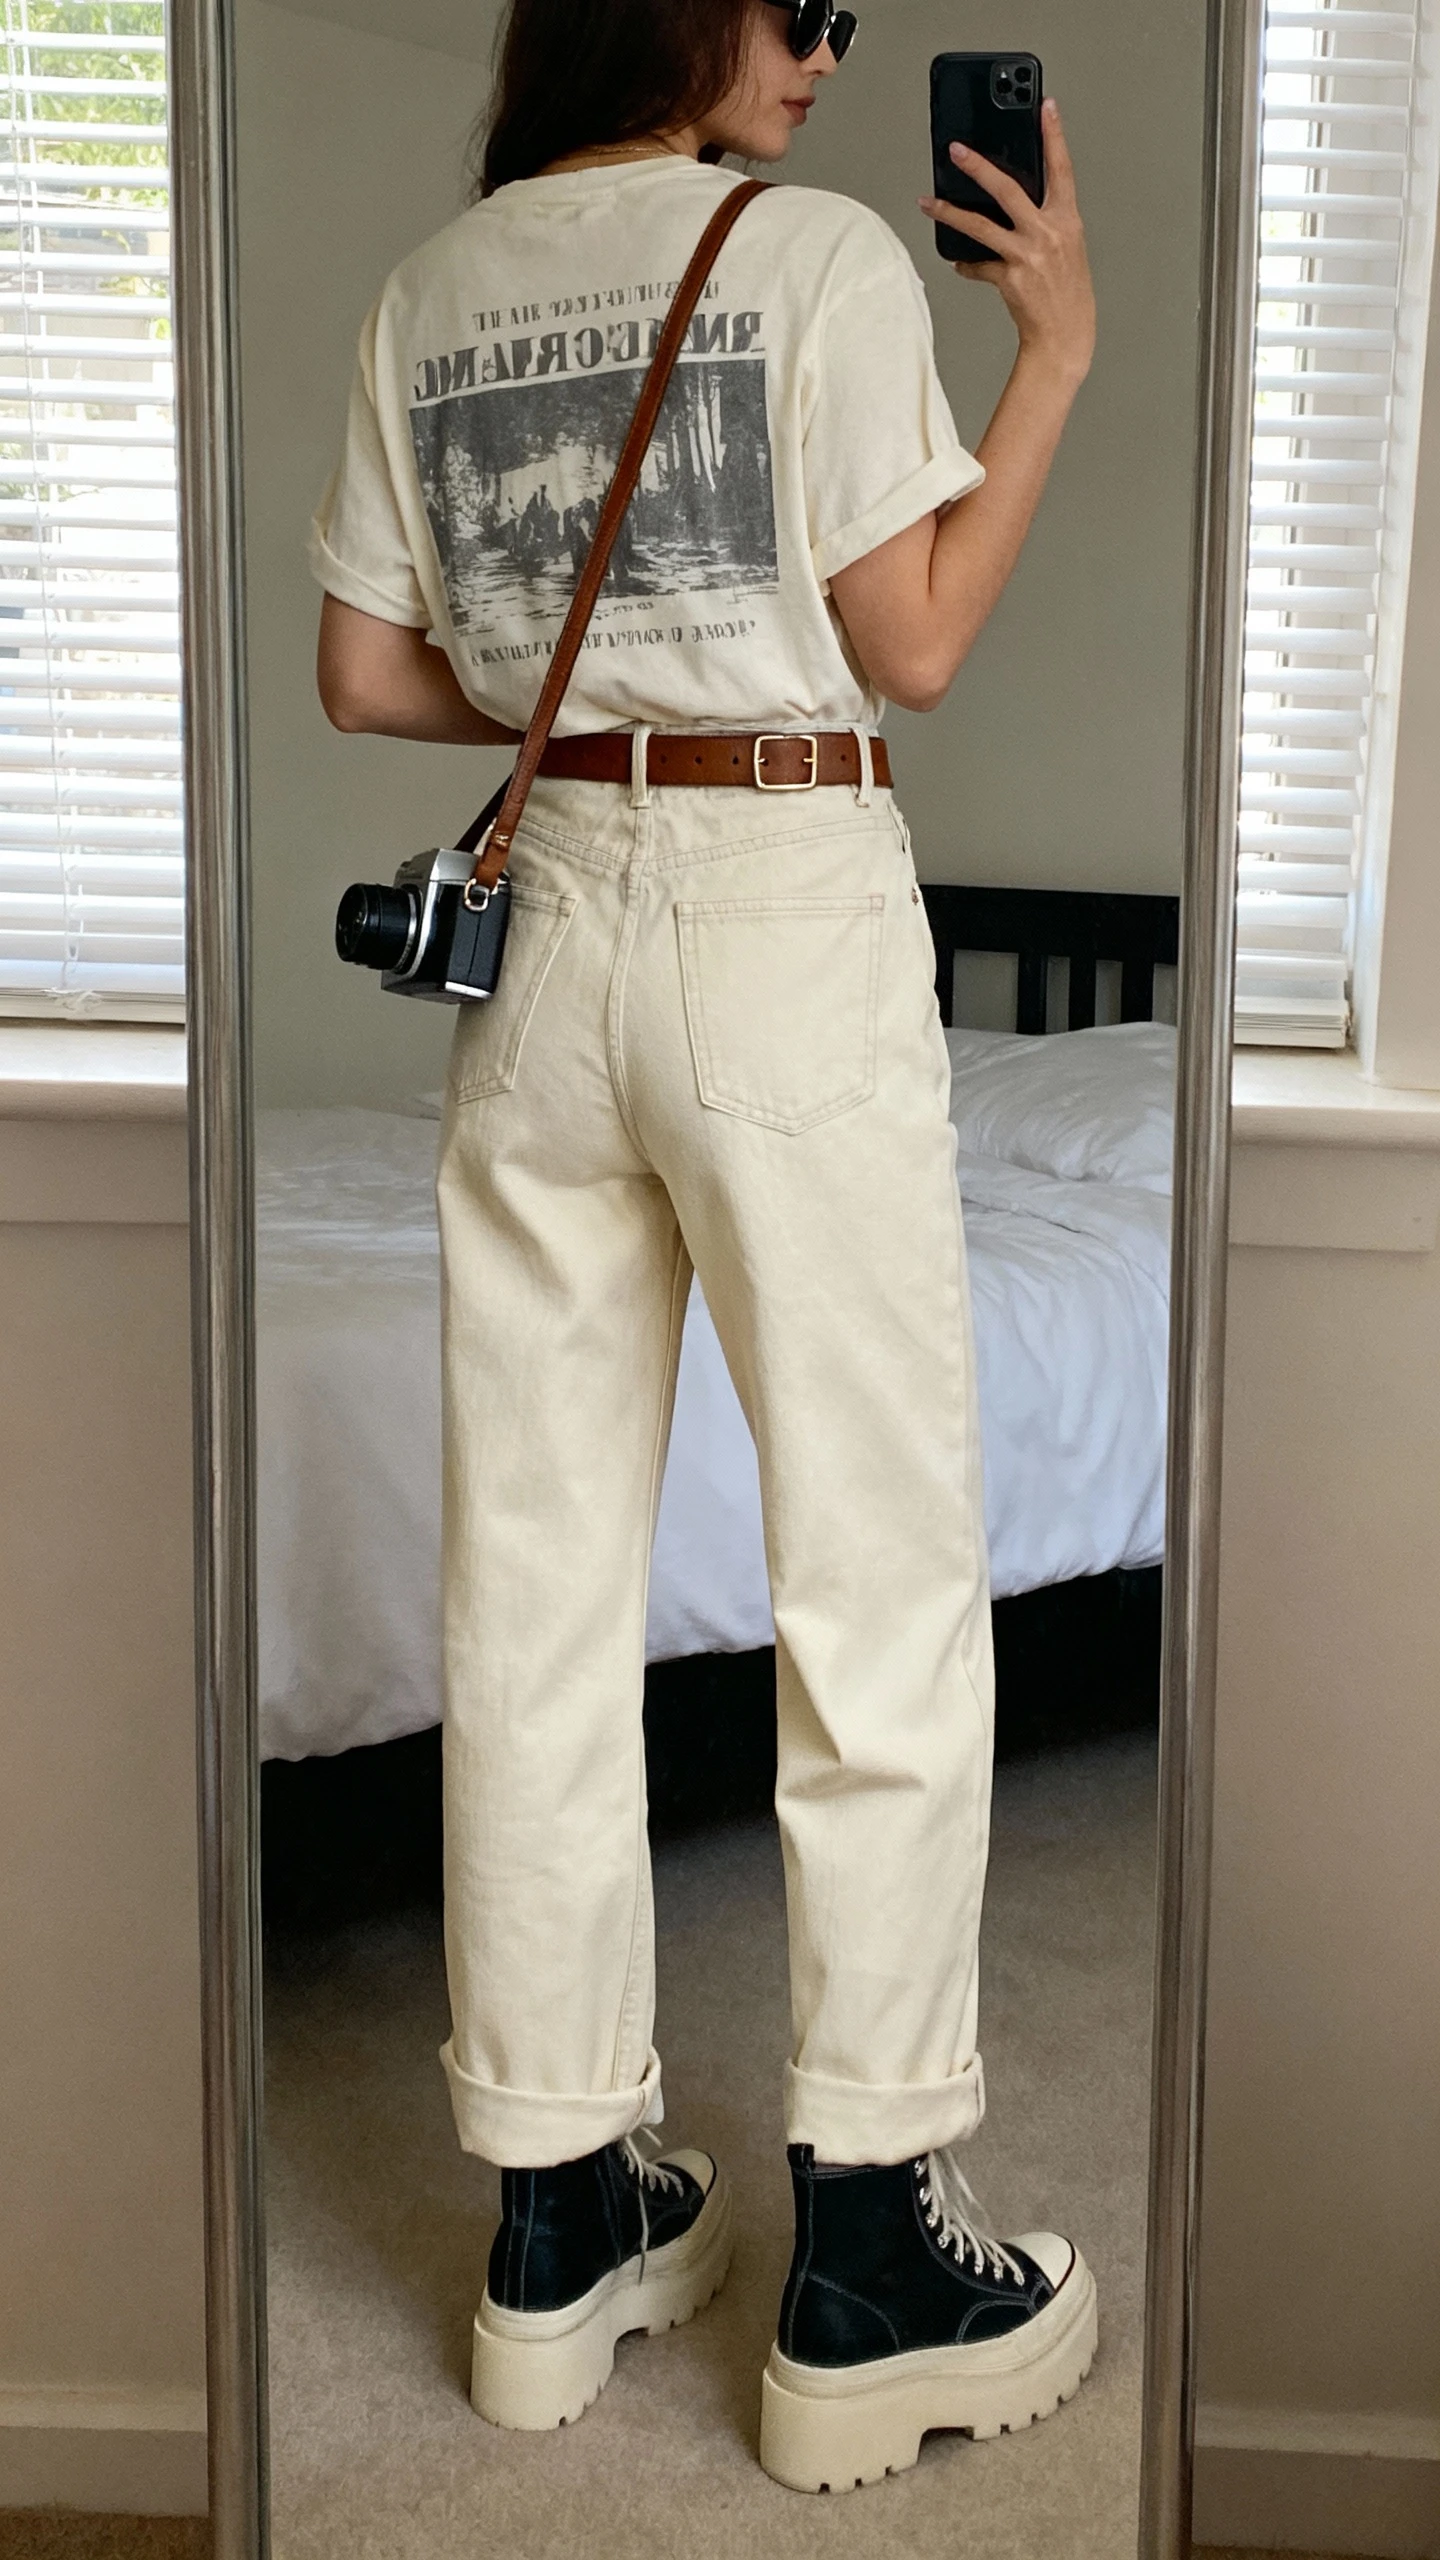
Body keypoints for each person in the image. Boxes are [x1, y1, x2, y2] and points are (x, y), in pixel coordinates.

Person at [312, 0, 1097, 2495]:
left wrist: (611, 696)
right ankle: (864, 2248)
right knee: (876, 1567)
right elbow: (921, 639)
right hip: (777, 904)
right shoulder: (822, 256)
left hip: (550, 934)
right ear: (706, 9)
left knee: (532, 1577)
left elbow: (359, 668)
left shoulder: (431, 287)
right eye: (816, 10)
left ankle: (558, 2209)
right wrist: (1057, 346)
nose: (838, 57)